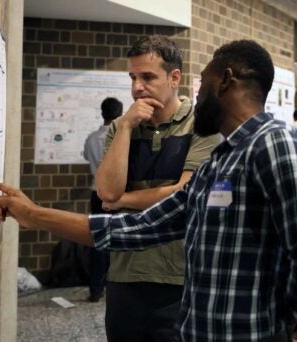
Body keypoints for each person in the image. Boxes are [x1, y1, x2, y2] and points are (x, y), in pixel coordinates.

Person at [0, 40, 297, 342]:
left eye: (201, 82)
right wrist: (34, 214)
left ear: (226, 80)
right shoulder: (218, 165)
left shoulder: (278, 141)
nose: (197, 92)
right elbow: (134, 229)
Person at [95, 35, 219, 341]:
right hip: (125, 271)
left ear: (174, 77)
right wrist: (125, 127)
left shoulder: (201, 125)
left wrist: (124, 199)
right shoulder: (120, 127)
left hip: (180, 275)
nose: (137, 87)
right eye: (133, 77)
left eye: (147, 77)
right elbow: (107, 193)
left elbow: (186, 194)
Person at [83, 97, 123, 302]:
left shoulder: (91, 138)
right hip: (117, 195)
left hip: (95, 193)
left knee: (97, 238)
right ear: (120, 115)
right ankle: (115, 287)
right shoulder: (121, 138)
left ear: (102, 114)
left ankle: (95, 289)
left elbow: (86, 157)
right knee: (118, 238)